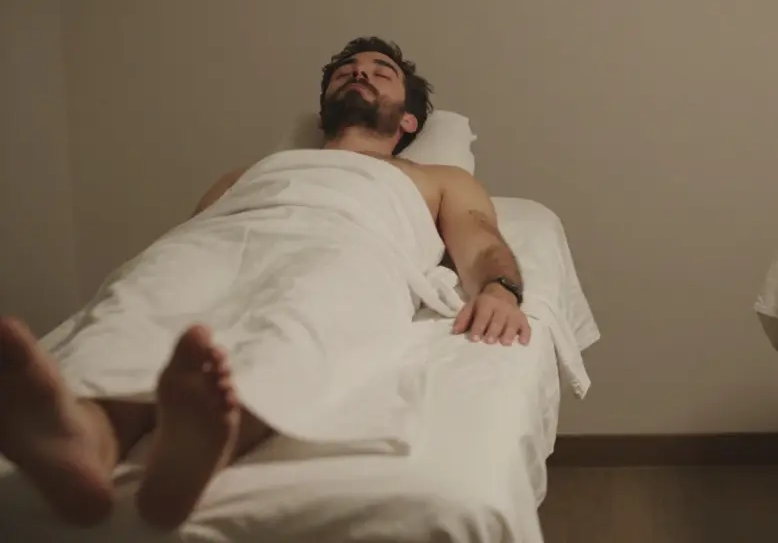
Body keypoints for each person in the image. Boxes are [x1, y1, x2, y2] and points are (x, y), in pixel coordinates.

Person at [0, 37, 531, 529]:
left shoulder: (436, 177)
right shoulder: (250, 172)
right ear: (325, 102)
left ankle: (207, 439)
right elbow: (194, 233)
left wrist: (500, 288)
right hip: (226, 237)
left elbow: (480, 239)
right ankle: (86, 437)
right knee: (143, 298)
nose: (359, 74)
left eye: (379, 71)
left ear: (409, 119)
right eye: (347, 70)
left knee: (302, 313)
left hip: (351, 244)